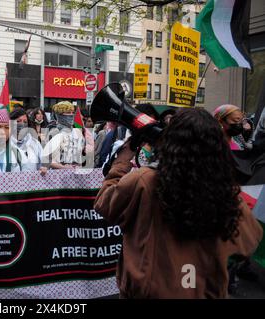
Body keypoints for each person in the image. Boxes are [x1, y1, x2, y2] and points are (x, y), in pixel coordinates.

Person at [94, 108, 263, 298]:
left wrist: (121, 162)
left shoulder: (145, 180)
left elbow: (104, 203)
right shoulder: (224, 190)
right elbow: (249, 242)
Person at [44, 101, 86, 169]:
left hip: (77, 174)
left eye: (73, 112)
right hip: (59, 175)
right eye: (68, 112)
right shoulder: (54, 132)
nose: (71, 115)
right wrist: (64, 167)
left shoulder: (78, 132)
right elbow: (47, 160)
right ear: (60, 115)